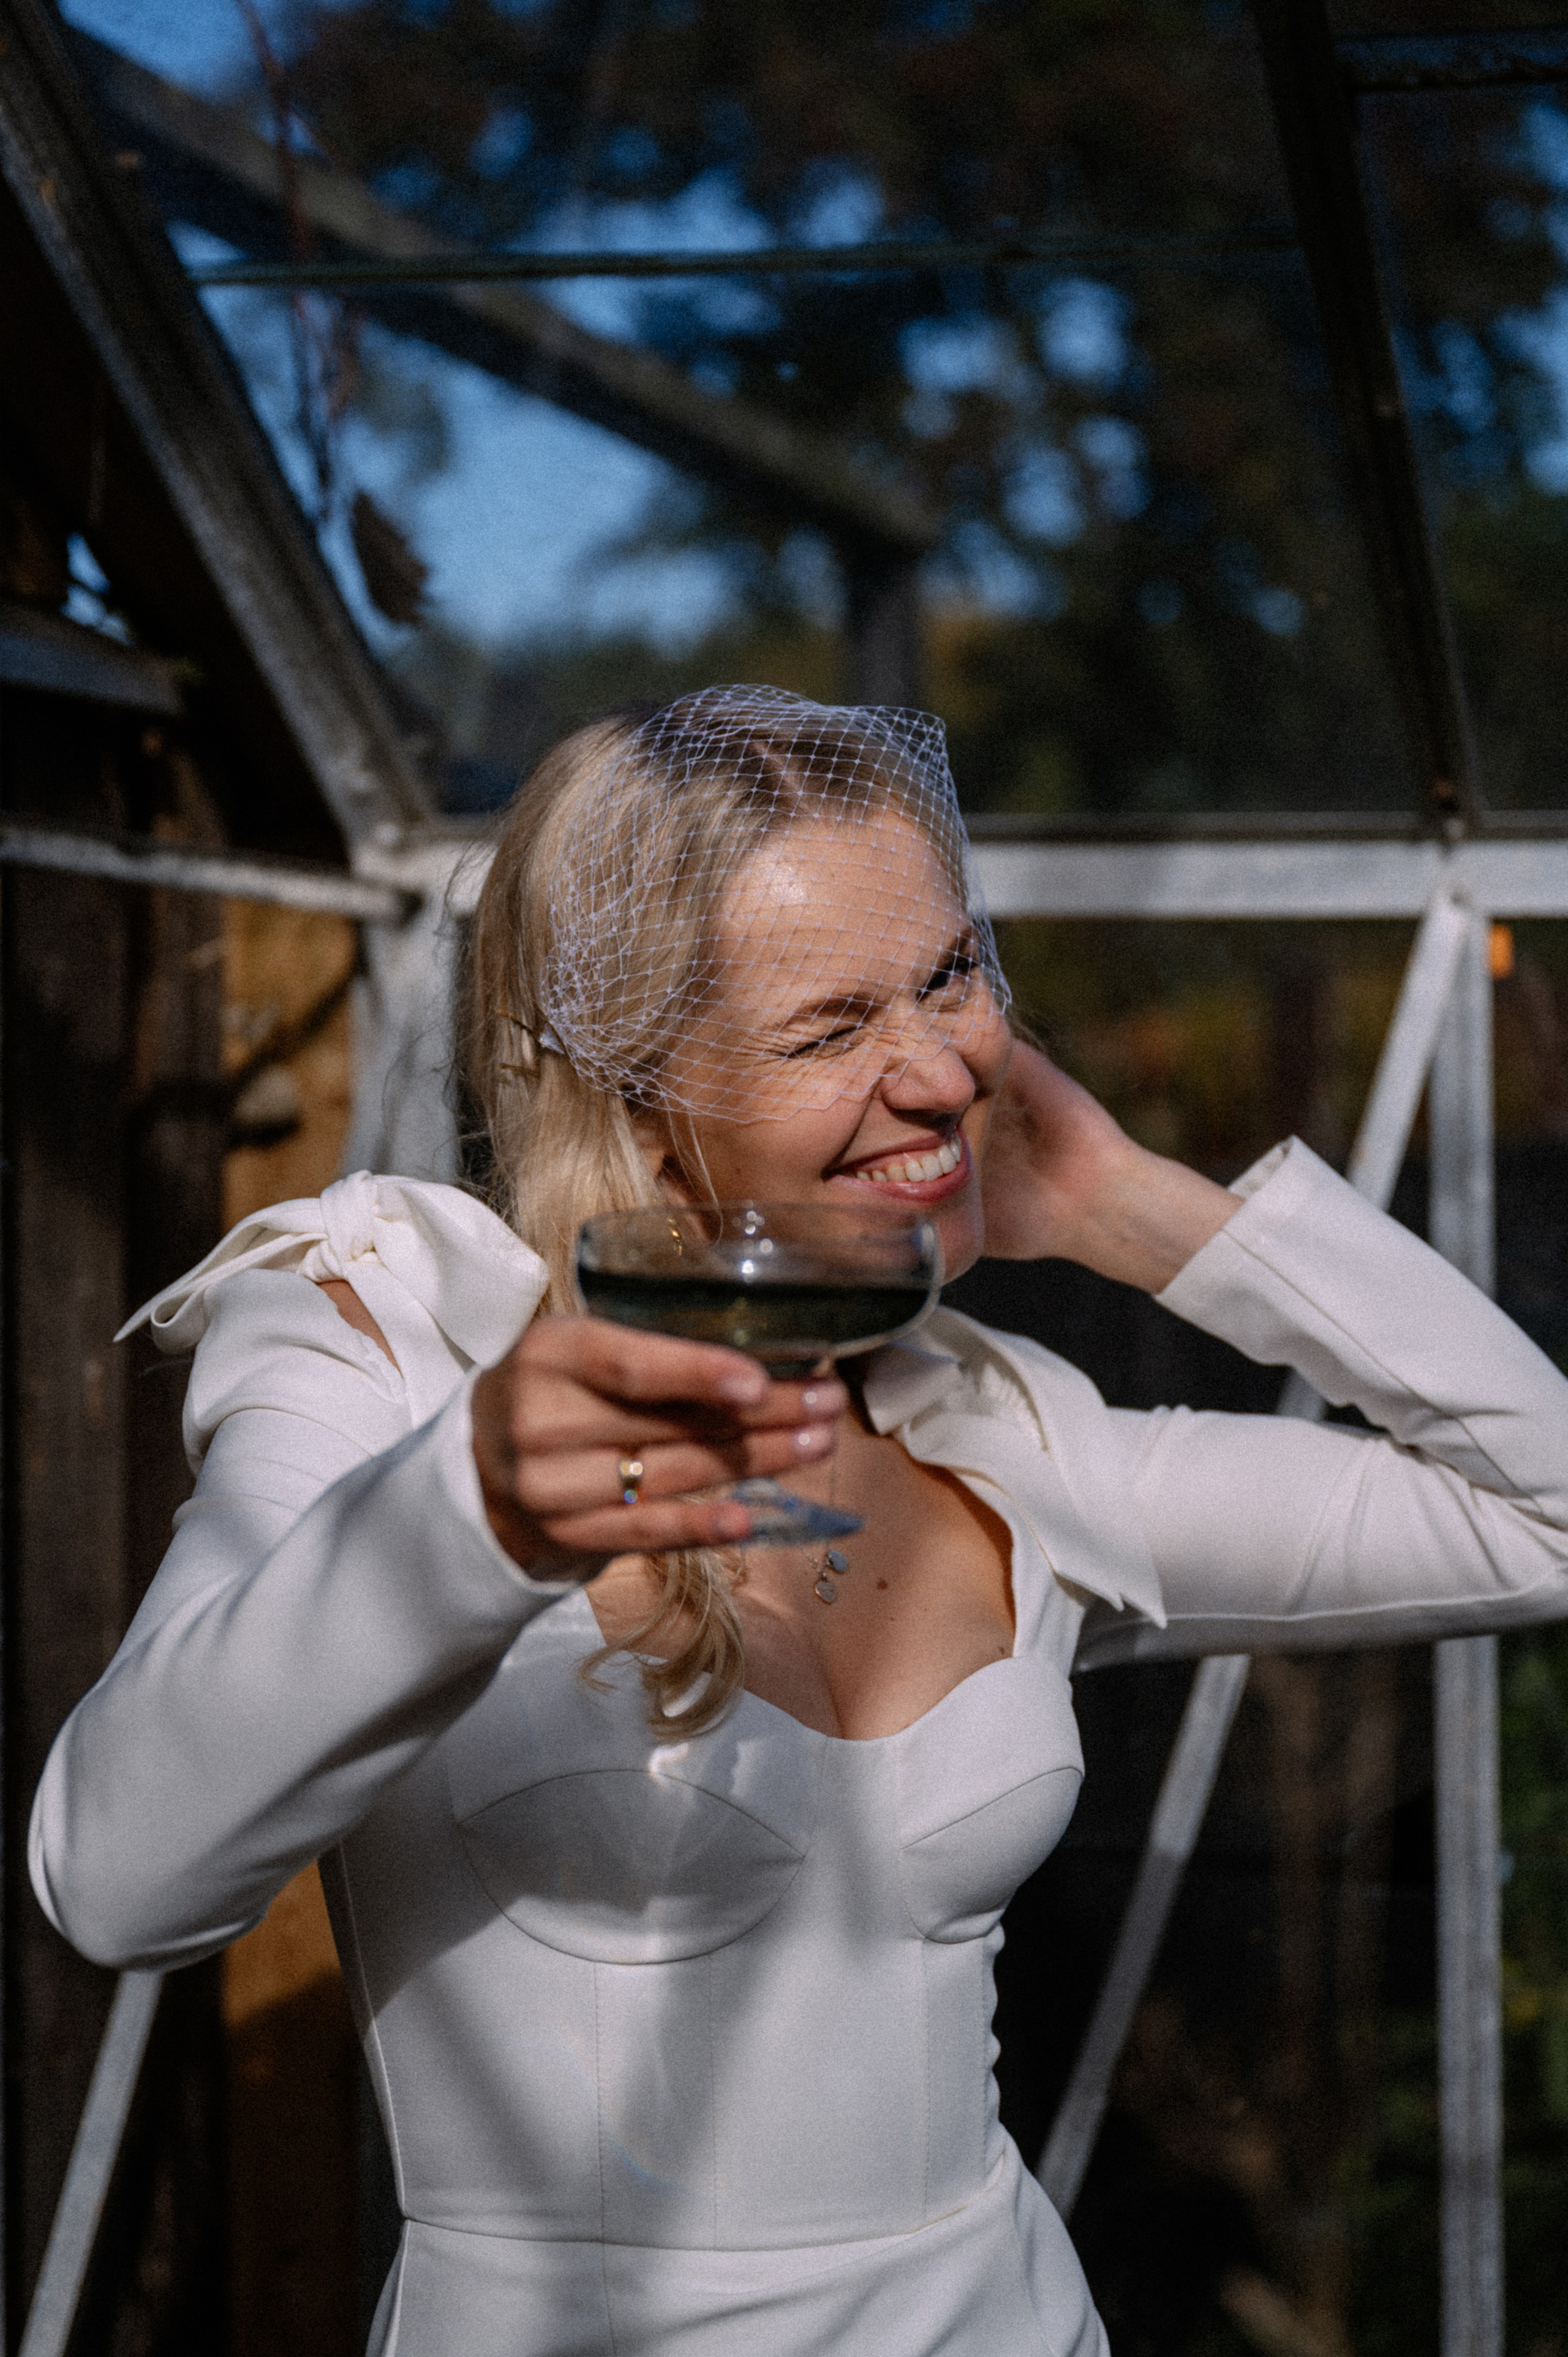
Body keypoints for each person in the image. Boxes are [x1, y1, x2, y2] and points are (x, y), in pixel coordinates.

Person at [31, 687, 1568, 2357]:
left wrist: (1141, 1206)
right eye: (830, 1028)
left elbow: (1545, 1518)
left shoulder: (999, 1427)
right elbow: (116, 1878)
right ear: (633, 1078)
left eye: (951, 973)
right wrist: (464, 1519)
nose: (943, 1070)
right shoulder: (393, 1340)